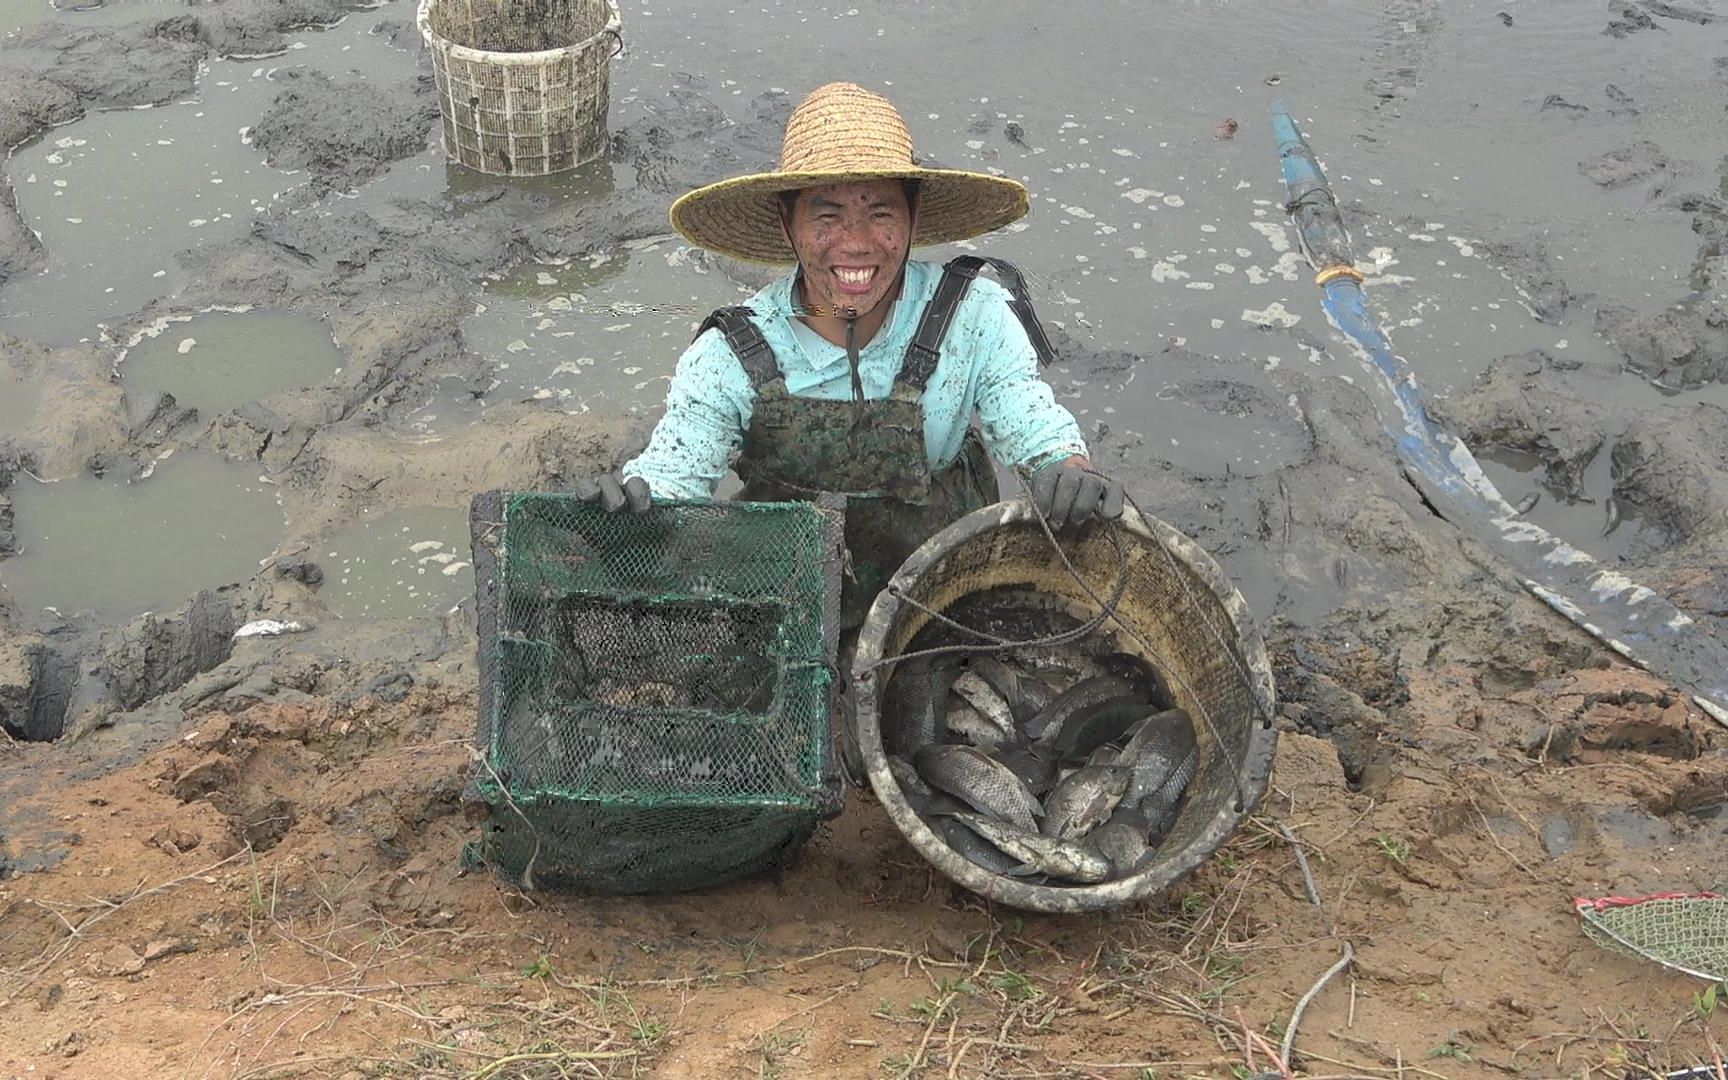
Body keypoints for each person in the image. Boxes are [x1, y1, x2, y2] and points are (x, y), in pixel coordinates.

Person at [575, 83, 1125, 776]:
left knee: (975, 747)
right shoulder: (732, 354)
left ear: (914, 217)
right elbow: (677, 471)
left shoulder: (973, 315)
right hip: (788, 597)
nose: (856, 243)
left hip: (941, 593)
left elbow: (1030, 419)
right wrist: (631, 502)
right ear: (788, 225)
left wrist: (1066, 470)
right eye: (827, 215)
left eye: (879, 212)